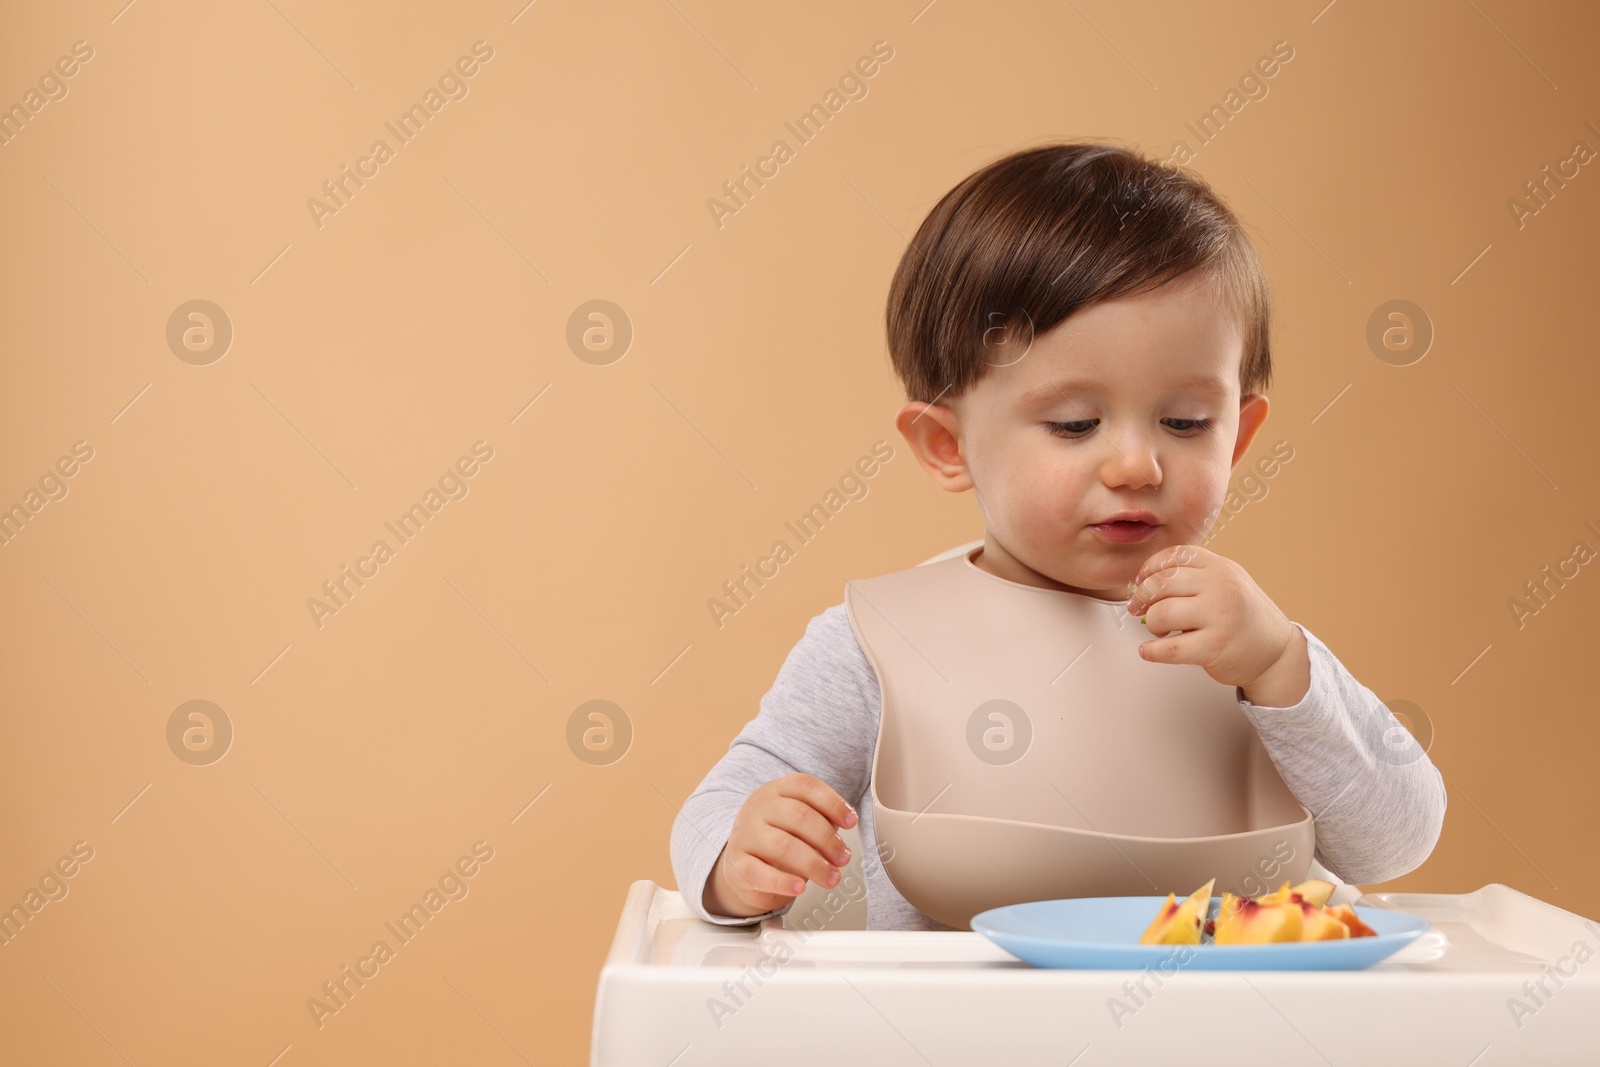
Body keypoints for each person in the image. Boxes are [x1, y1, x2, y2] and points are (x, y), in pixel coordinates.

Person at [670, 141, 1448, 931]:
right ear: (948, 446)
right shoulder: (880, 644)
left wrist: (1281, 667)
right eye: (1075, 424)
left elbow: (1398, 840)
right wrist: (743, 857)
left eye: (1186, 422)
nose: (1138, 463)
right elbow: (724, 802)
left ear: (1239, 436)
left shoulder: (1249, 649)